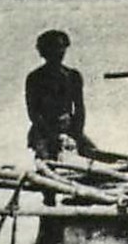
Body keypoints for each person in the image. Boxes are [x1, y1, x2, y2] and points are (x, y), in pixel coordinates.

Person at [25, 29, 95, 160]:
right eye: (54, 48)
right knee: (47, 160)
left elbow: (79, 108)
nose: (59, 52)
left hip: (69, 127)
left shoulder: (73, 76)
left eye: (62, 47)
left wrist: (77, 132)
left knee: (93, 154)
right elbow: (33, 113)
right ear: (44, 52)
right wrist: (52, 136)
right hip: (43, 131)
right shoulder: (35, 78)